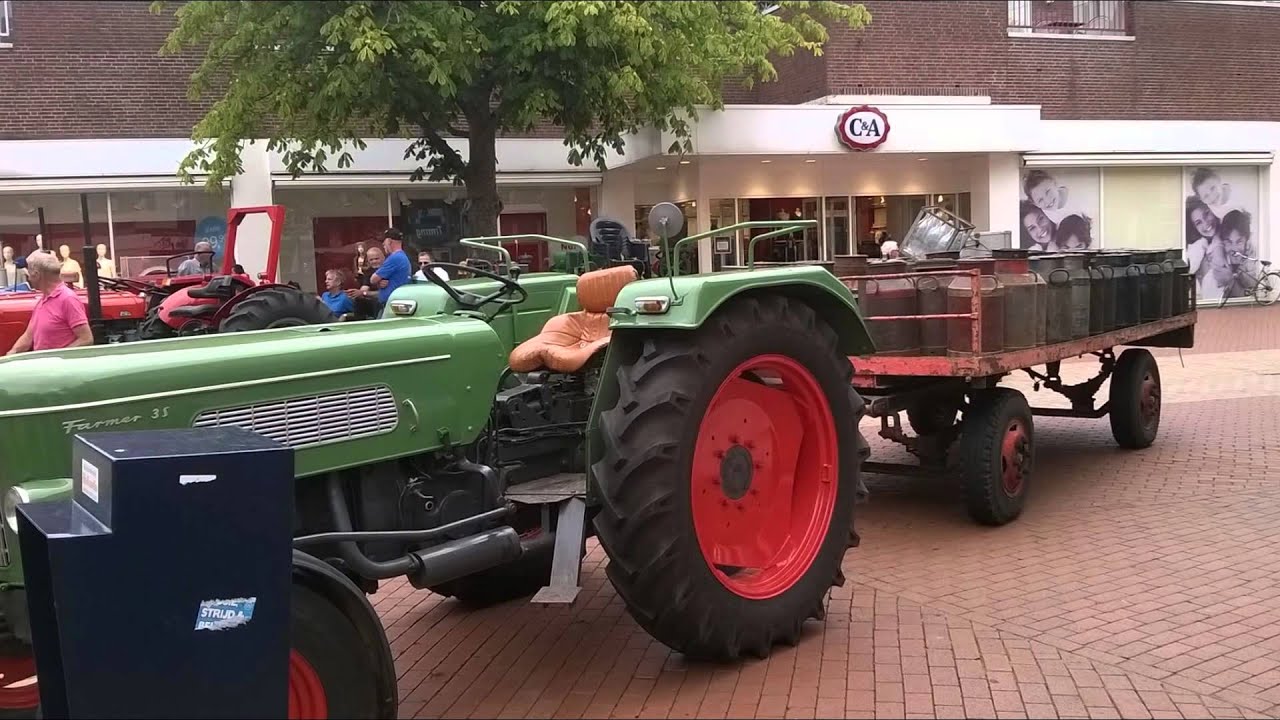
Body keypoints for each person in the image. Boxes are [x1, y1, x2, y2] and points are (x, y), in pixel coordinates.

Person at [5, 251, 93, 354]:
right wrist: (12, 353)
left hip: (58, 368)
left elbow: (86, 339)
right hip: (44, 366)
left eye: (29, 273)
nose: (28, 278)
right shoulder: (42, 300)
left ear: (37, 275)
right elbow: (28, 337)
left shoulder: (67, 299)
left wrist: (57, 358)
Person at [369, 228, 411, 305]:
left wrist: (378, 280)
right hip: (396, 302)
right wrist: (380, 282)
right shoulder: (402, 256)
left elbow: (373, 279)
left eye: (384, 242)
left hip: (393, 303)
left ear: (389, 241)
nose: (383, 245)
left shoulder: (394, 258)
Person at [346, 245, 384, 319]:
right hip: (373, 303)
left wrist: (364, 293)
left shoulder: (387, 270)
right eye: (371, 260)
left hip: (385, 301)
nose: (374, 261)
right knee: (358, 300)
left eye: (376, 259)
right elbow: (364, 288)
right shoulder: (369, 272)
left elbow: (385, 293)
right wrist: (355, 293)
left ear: (383, 258)